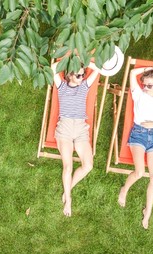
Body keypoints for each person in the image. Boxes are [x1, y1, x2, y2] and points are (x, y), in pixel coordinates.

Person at [117, 67, 153, 229]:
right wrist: (151, 69)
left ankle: (147, 211)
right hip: (139, 134)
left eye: (149, 85)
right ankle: (124, 189)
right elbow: (132, 73)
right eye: (144, 84)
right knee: (140, 172)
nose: (145, 88)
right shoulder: (138, 94)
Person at [51, 60, 102, 217]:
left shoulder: (84, 86)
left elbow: (98, 68)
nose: (82, 76)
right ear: (69, 75)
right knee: (68, 167)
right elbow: (53, 68)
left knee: (88, 166)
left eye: (83, 74)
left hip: (80, 129)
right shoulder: (62, 87)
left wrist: (85, 63)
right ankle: (69, 200)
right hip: (65, 128)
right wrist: (69, 60)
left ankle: (68, 189)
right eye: (78, 74)